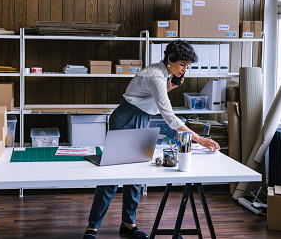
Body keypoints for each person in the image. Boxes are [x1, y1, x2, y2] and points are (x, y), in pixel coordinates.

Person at [82, 39, 220, 239]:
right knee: (111, 175)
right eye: (182, 64)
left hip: (141, 117)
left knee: (136, 173)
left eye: (187, 66)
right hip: (126, 117)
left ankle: (128, 224)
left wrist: (171, 86)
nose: (184, 70)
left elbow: (151, 99)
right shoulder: (156, 75)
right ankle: (92, 228)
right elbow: (169, 116)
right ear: (170, 59)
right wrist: (198, 138)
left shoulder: (163, 72)